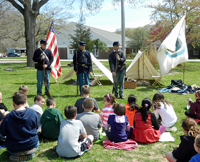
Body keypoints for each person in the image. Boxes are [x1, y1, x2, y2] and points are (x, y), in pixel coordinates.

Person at [0, 92, 39, 160]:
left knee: (10, 147)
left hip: (14, 147)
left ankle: (17, 154)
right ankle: (29, 154)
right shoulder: (33, 113)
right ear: (25, 102)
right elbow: (36, 127)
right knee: (37, 142)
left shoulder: (8, 117)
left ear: (13, 103)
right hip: (30, 144)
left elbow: (3, 133)